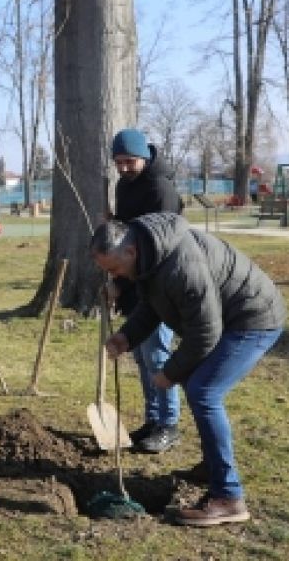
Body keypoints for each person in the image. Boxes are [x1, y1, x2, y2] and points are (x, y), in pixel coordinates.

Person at [90, 213, 286, 527]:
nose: (115, 277)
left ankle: (228, 497)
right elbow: (153, 305)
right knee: (199, 386)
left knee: (204, 392)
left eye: (114, 269)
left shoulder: (182, 267)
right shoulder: (151, 257)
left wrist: (170, 373)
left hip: (253, 318)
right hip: (227, 319)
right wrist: (126, 336)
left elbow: (206, 332)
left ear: (130, 252)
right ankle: (213, 466)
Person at [109, 128, 185, 453]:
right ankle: (153, 419)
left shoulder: (160, 189)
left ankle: (169, 424)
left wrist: (123, 277)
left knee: (156, 354)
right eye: (119, 162)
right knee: (141, 355)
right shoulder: (124, 186)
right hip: (134, 280)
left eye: (129, 161)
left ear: (144, 156)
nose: (124, 168)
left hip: (160, 281)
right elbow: (127, 234)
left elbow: (159, 244)